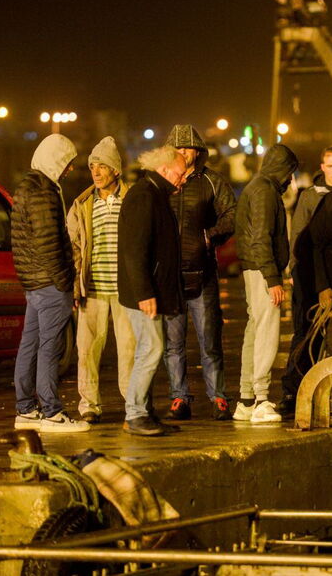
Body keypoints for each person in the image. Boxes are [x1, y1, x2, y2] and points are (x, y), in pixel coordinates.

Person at [11, 134, 89, 432]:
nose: (70, 169)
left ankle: (25, 409)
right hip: (50, 283)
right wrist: (64, 280)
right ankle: (52, 412)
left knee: (29, 344)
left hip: (33, 283)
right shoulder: (44, 191)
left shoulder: (26, 186)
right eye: (67, 163)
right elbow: (49, 243)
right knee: (49, 348)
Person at [162, 125, 237, 421]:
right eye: (178, 148)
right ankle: (179, 397)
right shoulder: (162, 181)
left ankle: (218, 397)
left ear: (198, 151)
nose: (183, 152)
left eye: (188, 147)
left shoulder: (211, 181)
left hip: (203, 274)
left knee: (210, 341)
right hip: (170, 277)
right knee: (173, 344)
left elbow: (232, 214)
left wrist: (209, 236)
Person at [280, 146, 332, 415]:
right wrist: (294, 269)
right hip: (311, 273)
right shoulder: (310, 197)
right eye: (330, 166)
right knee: (307, 333)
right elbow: (299, 236)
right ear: (322, 167)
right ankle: (293, 389)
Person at [118, 145, 188, 436]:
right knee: (152, 348)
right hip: (143, 293)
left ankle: (144, 412)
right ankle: (135, 414)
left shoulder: (154, 194)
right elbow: (135, 250)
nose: (184, 178)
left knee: (149, 349)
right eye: (181, 173)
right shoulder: (144, 196)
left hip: (150, 289)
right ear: (164, 170)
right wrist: (144, 292)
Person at [66, 136, 134, 424]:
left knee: (129, 349)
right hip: (92, 288)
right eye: (92, 166)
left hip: (126, 290)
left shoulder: (132, 200)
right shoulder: (82, 204)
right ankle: (89, 405)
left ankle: (133, 404)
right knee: (87, 349)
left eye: (102, 166)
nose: (95, 172)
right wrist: (75, 286)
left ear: (115, 170)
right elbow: (74, 248)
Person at [233, 143, 299, 424]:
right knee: (267, 332)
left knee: (255, 330)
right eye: (290, 173)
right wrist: (274, 279)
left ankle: (246, 400)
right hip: (263, 271)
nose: (291, 179)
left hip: (255, 268)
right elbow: (261, 237)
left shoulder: (256, 187)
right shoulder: (265, 191)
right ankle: (261, 399)